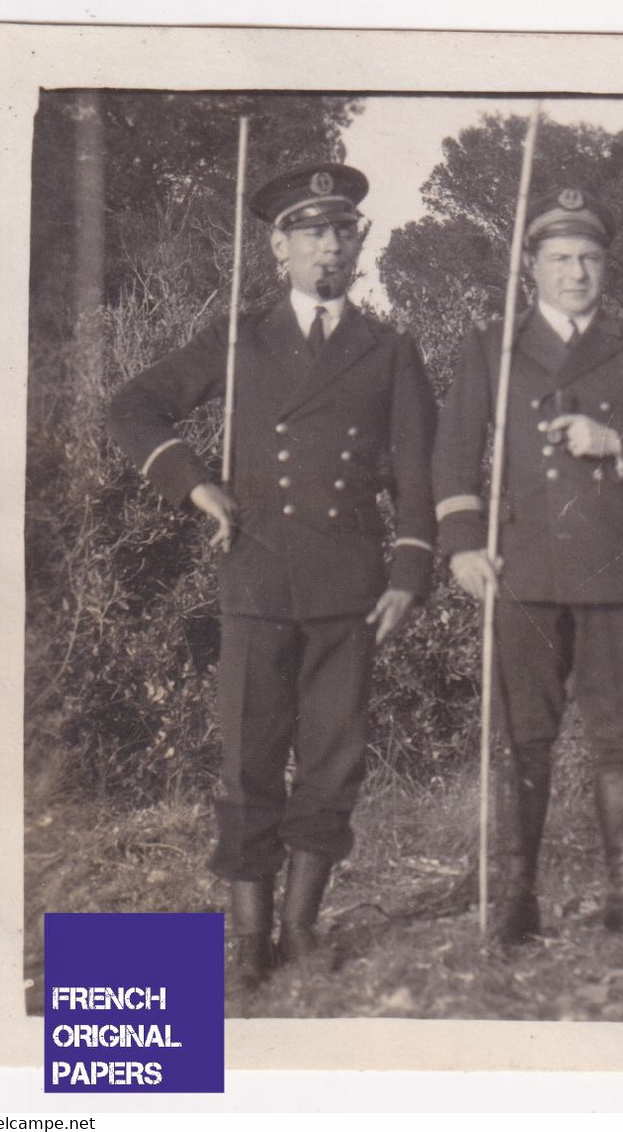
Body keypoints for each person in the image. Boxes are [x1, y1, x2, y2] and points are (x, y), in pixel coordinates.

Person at [106, 162, 438, 987]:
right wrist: (192, 483)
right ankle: (247, 943)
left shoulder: (389, 348)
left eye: (342, 230)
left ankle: (300, 930)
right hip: (254, 581)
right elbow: (130, 407)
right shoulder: (238, 340)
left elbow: (419, 477)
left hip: (351, 588)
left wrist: (408, 572)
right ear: (278, 247)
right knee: (250, 763)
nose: (329, 245)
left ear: (358, 244)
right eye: (311, 231)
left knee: (333, 761)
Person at [434, 188, 623, 949]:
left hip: (620, 568)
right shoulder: (495, 347)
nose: (576, 272)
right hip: (523, 569)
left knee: (621, 739)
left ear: (605, 266)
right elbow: (452, 451)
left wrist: (615, 440)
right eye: (559, 258)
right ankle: (515, 899)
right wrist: (460, 542)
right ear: (531, 268)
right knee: (525, 738)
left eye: (588, 257)